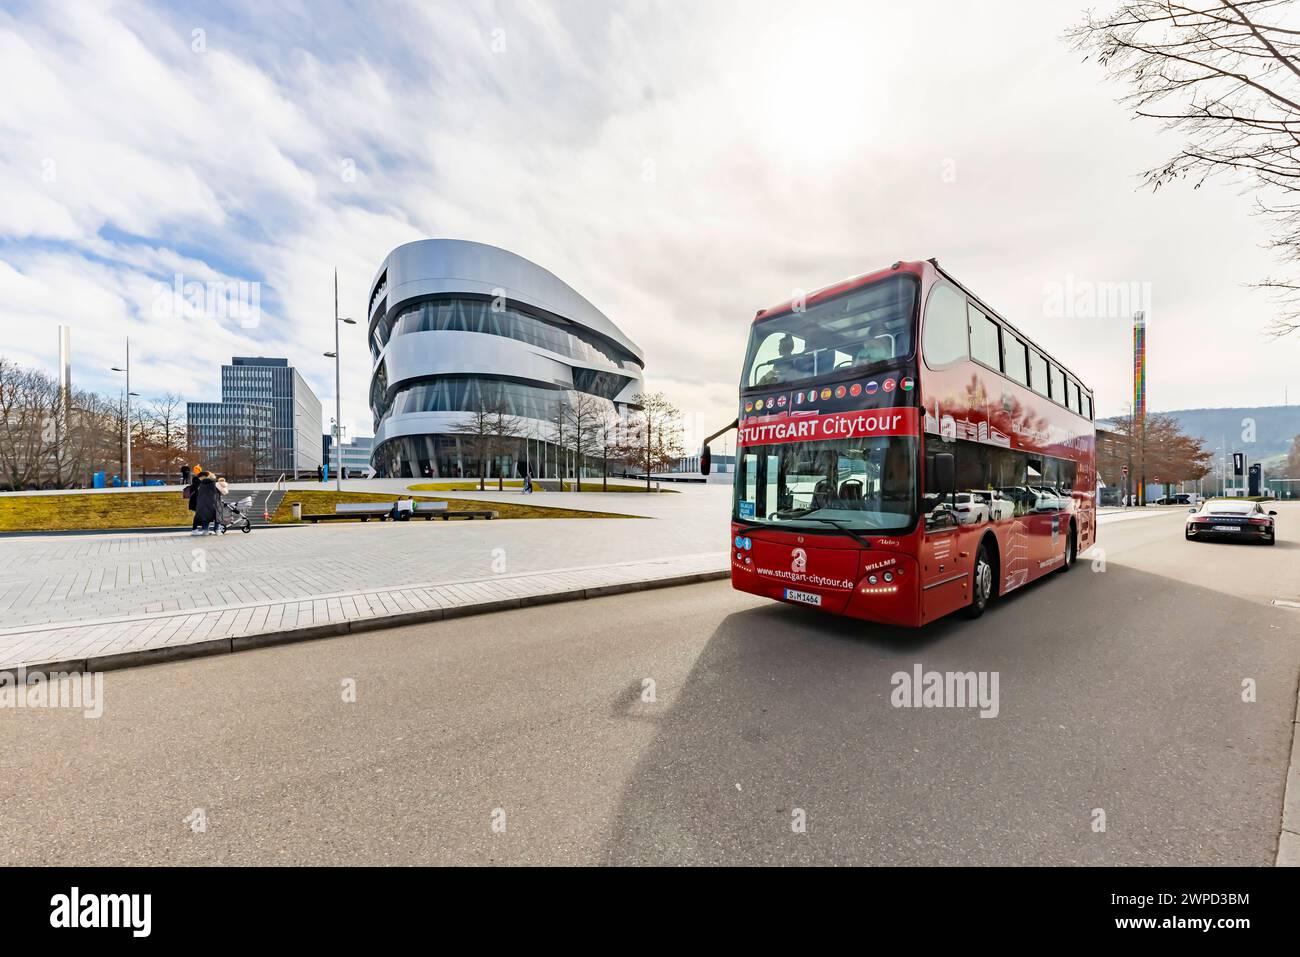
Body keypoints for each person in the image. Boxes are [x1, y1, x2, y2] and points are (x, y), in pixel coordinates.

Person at [193, 471, 222, 536]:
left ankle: (205, 531)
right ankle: (217, 530)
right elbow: (222, 492)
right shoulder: (216, 484)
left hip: (203, 504)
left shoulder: (202, 484)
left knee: (205, 517)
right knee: (217, 516)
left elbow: (199, 494)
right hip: (214, 502)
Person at [185, 465, 203, 534]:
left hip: (196, 500)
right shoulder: (196, 479)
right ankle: (195, 529)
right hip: (196, 500)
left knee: (198, 514)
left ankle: (197, 529)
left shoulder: (196, 479)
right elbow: (198, 490)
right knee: (198, 514)